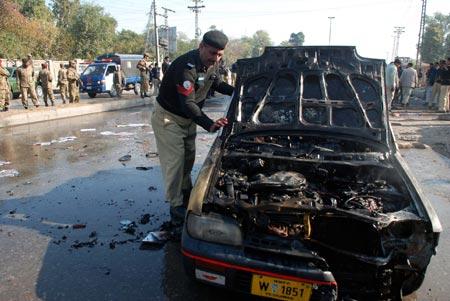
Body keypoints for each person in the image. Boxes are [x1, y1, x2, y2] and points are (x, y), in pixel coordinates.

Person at [151, 30, 234, 224]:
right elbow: (187, 104)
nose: (216, 58)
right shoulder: (185, 68)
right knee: (175, 162)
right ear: (201, 46)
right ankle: (175, 205)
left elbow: (217, 83)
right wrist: (209, 123)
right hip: (169, 118)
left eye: (220, 54)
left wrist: (239, 91)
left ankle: (185, 192)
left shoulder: (211, 64)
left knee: (188, 158)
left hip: (188, 119)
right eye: (213, 53)